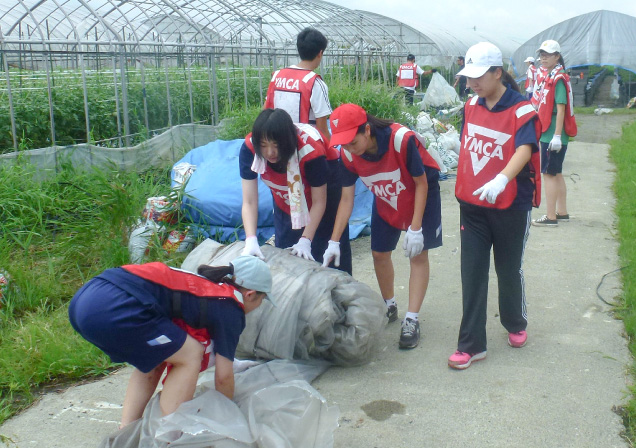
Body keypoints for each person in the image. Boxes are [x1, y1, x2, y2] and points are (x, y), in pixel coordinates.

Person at [68, 256, 273, 427]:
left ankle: (126, 434)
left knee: (157, 358)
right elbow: (223, 377)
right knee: (191, 354)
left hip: (87, 297)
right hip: (113, 306)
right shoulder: (231, 307)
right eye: (262, 300)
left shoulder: (211, 286)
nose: (258, 306)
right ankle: (169, 436)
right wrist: (228, 416)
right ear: (250, 294)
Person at [447, 42, 541, 370]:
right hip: (472, 206)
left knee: (507, 268)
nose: (471, 83)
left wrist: (501, 179)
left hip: (511, 205)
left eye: (478, 77)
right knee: (472, 272)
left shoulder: (522, 110)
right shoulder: (471, 105)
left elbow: (525, 148)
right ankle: (471, 344)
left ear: (497, 73)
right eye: (467, 77)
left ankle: (514, 321)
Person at [322, 103, 442, 349]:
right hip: (387, 196)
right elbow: (346, 199)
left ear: (367, 130)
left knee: (417, 254)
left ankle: (412, 319)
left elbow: (421, 184)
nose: (349, 149)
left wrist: (416, 227)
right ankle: (389, 305)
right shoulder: (347, 155)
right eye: (343, 144)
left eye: (352, 142)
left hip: (420, 195)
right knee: (378, 253)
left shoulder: (401, 140)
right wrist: (333, 241)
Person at [240, 108, 352, 274]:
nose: (270, 152)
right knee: (287, 255)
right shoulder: (250, 149)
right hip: (285, 198)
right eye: (263, 146)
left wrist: (306, 240)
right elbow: (249, 201)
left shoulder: (310, 152)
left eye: (276, 145)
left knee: (326, 256)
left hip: (324, 193)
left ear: (287, 142)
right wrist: (250, 239)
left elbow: (319, 202)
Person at [530, 40, 577, 227]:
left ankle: (550, 216)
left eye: (548, 54)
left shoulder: (558, 78)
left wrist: (557, 135)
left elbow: (561, 108)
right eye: (541, 54)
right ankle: (562, 212)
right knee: (556, 173)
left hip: (552, 134)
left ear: (557, 56)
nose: (543, 57)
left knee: (549, 174)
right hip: (551, 133)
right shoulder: (550, 75)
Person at [263, 27, 332, 142]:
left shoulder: (277, 76)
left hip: (276, 142)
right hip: (304, 146)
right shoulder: (315, 83)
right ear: (320, 53)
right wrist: (333, 151)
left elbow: (265, 111)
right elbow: (322, 130)